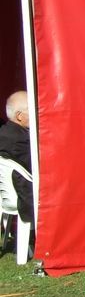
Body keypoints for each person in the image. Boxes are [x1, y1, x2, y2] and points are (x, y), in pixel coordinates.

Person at [0, 90, 33, 224]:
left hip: (8, 199)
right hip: (26, 202)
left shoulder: (4, 134)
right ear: (19, 116)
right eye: (33, 110)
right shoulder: (21, 142)